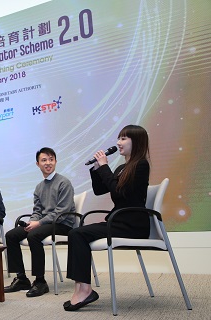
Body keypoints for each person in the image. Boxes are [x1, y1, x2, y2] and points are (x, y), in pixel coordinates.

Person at [64, 124, 151, 311]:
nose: (118, 143)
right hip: (119, 221)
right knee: (76, 233)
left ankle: (85, 289)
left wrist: (104, 166)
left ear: (136, 142)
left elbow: (119, 191)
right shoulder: (122, 167)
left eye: (123, 139)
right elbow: (100, 189)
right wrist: (96, 169)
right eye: (119, 138)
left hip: (132, 225)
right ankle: (81, 286)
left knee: (77, 234)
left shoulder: (141, 165)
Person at [4, 147, 76, 297]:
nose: (48, 163)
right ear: (38, 164)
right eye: (44, 160)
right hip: (46, 223)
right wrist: (33, 221)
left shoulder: (64, 182)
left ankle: (40, 281)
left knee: (33, 236)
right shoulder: (39, 187)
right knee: (11, 235)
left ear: (56, 161)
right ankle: (22, 278)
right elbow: (37, 210)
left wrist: (39, 223)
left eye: (51, 159)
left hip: (63, 224)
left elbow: (62, 211)